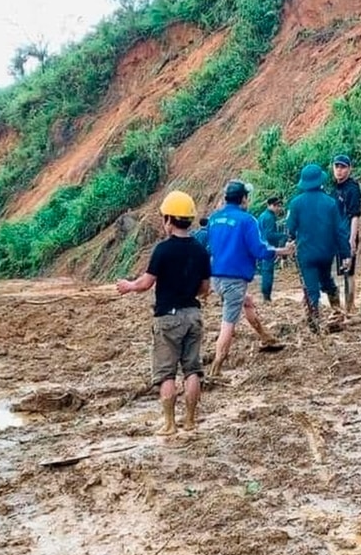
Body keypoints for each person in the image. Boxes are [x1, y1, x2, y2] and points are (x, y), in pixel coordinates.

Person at [117, 190, 211, 435]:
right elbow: (204, 289)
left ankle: (169, 424)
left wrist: (128, 286)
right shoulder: (201, 251)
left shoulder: (163, 250)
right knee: (193, 370)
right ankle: (190, 420)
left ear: (169, 219)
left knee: (166, 373)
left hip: (168, 318)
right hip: (193, 315)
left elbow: (146, 283)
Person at [207, 180, 293, 378]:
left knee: (247, 302)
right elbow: (259, 250)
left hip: (217, 277)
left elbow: (211, 246)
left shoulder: (214, 219)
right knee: (228, 323)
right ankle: (216, 368)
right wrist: (282, 251)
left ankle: (265, 337)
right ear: (244, 199)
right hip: (235, 279)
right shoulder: (247, 220)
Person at [288, 164, 351, 333]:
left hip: (306, 253)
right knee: (327, 280)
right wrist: (345, 254)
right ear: (320, 181)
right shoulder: (330, 203)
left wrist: (292, 241)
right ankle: (337, 312)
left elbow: (291, 229)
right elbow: (340, 231)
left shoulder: (296, 203)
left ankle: (314, 324)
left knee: (311, 288)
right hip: (326, 252)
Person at [330, 154, 361, 313]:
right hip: (336, 236)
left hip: (347, 236)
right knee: (342, 271)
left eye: (343, 167)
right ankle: (347, 306)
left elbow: (355, 215)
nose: (339, 170)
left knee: (349, 273)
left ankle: (349, 309)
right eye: (337, 166)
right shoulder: (333, 188)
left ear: (349, 169)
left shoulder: (352, 188)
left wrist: (352, 239)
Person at [256, 196, 287, 302]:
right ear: (271, 206)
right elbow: (269, 235)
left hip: (262, 246)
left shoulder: (262, 216)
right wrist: (282, 236)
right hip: (268, 247)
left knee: (265, 271)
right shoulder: (269, 217)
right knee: (267, 272)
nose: (279, 209)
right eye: (277, 206)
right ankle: (266, 296)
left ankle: (266, 295)